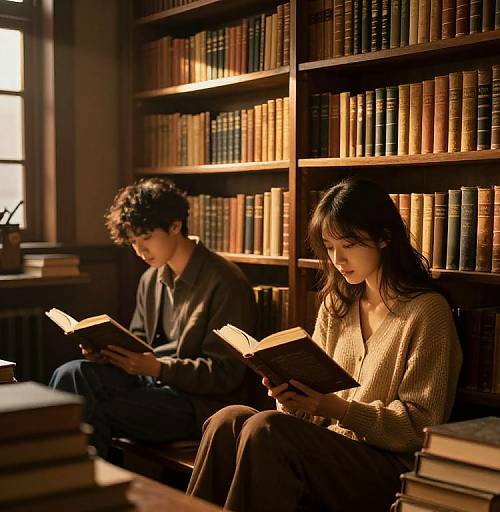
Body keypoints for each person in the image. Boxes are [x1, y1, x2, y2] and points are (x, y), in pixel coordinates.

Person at [186, 178, 463, 512]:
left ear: (384, 238)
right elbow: (309, 413)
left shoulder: (427, 312)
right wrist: (290, 397)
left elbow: (420, 427)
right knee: (227, 419)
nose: (337, 259)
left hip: (390, 468)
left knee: (265, 429)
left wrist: (338, 410)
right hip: (330, 450)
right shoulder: (338, 304)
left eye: (348, 245)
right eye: (329, 247)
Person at [49, 178, 257, 458]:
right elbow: (139, 342)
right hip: (152, 384)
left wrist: (158, 368)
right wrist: (106, 353)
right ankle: (83, 486)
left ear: (175, 226)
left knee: (87, 408)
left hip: (197, 403)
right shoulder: (151, 278)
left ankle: (87, 490)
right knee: (71, 373)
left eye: (146, 238)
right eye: (133, 242)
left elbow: (225, 374)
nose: (139, 251)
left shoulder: (225, 282)